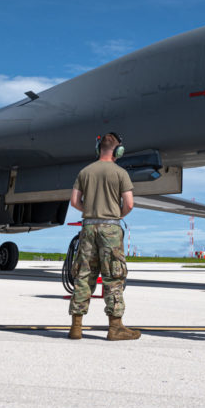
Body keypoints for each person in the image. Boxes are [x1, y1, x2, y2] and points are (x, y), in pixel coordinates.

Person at [67, 132, 140, 340]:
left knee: (84, 275)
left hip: (88, 227)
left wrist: (89, 210)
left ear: (98, 148)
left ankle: (76, 327)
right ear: (118, 151)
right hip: (110, 228)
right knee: (113, 276)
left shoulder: (85, 172)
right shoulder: (120, 173)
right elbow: (129, 204)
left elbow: (74, 201)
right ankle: (115, 327)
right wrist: (116, 214)